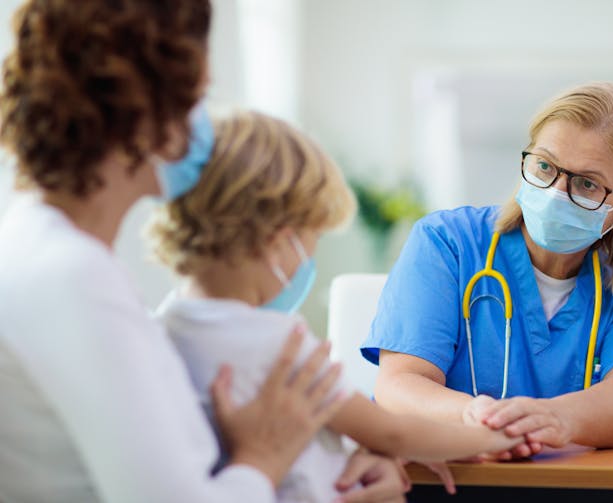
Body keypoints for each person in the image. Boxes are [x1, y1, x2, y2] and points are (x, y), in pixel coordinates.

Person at [0, 1, 407, 502]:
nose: (203, 118)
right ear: (147, 101)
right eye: (198, 91)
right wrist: (264, 459)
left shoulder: (43, 251)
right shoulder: (74, 277)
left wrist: (332, 465)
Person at [147, 109, 524, 503]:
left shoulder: (162, 330)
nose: (310, 256)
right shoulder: (278, 345)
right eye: (314, 239)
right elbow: (391, 432)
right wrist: (491, 435)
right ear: (279, 241)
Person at [361, 81, 613, 459]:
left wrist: (552, 418)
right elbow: (400, 384)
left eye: (587, 184)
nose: (555, 192)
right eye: (544, 165)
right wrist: (474, 417)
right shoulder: (448, 243)